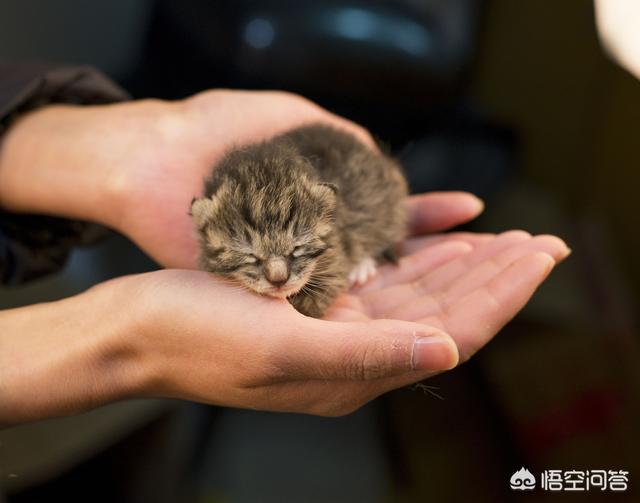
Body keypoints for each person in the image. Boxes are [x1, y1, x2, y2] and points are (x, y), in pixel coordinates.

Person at [0, 63, 569, 427]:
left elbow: (314, 263)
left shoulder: (327, 211)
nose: (278, 277)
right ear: (205, 227)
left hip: (343, 187)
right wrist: (128, 343)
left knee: (376, 204)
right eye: (250, 258)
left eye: (299, 254)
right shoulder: (221, 219)